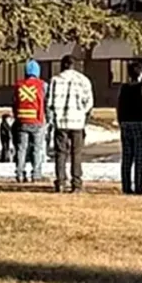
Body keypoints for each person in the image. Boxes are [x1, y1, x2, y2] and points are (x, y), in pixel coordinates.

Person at [47, 55, 94, 194]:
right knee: (76, 153)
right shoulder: (83, 80)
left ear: (62, 65)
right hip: (77, 122)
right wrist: (82, 113)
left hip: (61, 121)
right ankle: (76, 183)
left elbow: (49, 102)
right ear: (75, 65)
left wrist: (53, 117)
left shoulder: (55, 80)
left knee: (60, 153)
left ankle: (60, 182)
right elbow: (89, 102)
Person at [116, 62, 142, 195]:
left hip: (126, 123)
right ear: (141, 73)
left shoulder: (123, 88)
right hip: (140, 123)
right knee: (140, 156)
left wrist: (121, 121)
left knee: (127, 156)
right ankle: (139, 185)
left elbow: (119, 106)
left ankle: (126, 185)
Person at [14, 60, 48, 182]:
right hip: (37, 120)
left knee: (21, 148)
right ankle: (36, 174)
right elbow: (46, 102)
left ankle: (19, 173)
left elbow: (14, 103)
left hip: (22, 120)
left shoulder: (19, 85)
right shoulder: (42, 85)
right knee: (36, 148)